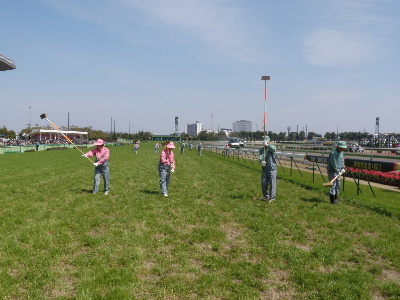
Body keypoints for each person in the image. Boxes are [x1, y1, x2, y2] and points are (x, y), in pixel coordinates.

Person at [258, 137, 277, 202]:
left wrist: (268, 145)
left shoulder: (271, 148)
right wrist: (261, 161)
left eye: (266, 142)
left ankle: (272, 197)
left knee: (272, 183)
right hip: (264, 169)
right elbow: (260, 156)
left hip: (272, 169)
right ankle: (266, 196)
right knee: (263, 183)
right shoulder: (261, 150)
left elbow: (274, 149)